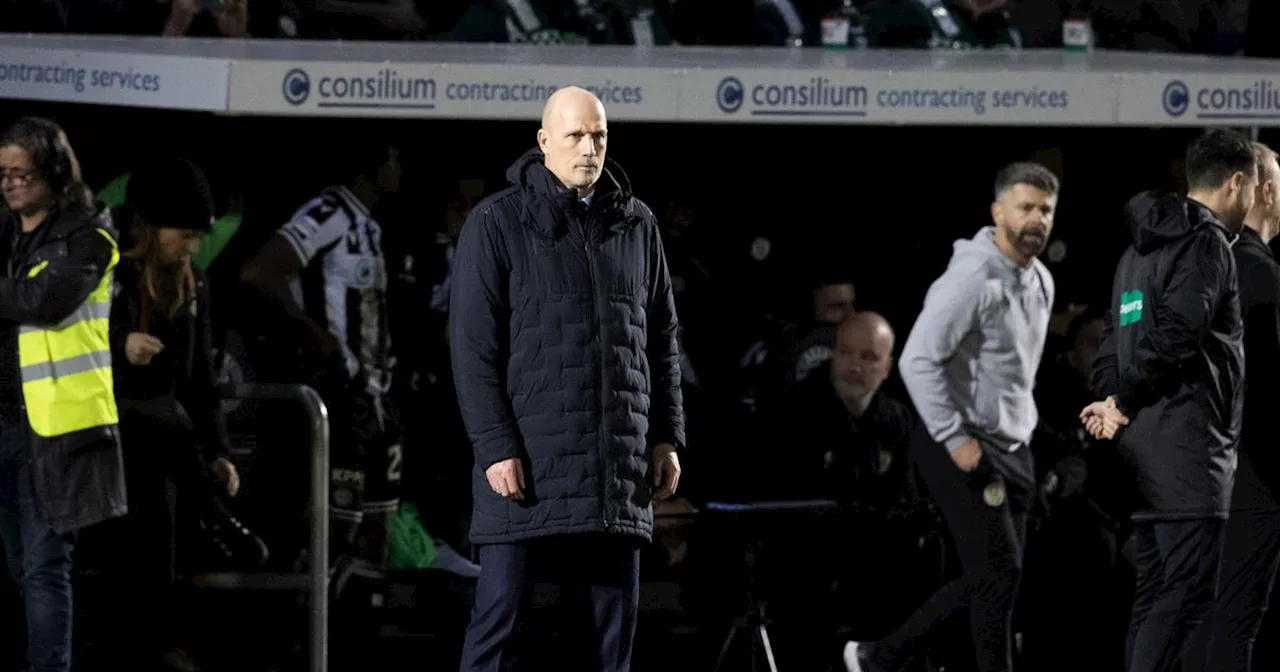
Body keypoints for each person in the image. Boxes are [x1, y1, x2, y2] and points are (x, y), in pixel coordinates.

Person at [450, 86, 684, 672]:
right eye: (576, 135)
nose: (588, 148)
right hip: (526, 468)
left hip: (615, 470)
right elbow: (473, 349)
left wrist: (666, 437)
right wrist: (496, 447)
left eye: (599, 136)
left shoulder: (637, 224)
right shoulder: (497, 223)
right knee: (499, 627)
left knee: (611, 644)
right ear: (544, 141)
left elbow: (661, 339)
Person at [844, 161, 1059, 672]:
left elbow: (1015, 374)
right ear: (997, 211)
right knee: (998, 573)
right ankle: (881, 655)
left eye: (1046, 210)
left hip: (1011, 446)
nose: (1037, 219)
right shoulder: (973, 277)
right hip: (958, 444)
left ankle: (885, 656)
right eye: (1026, 207)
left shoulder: (1041, 280)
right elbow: (917, 358)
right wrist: (956, 438)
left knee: (999, 587)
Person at [1082, 129, 1251, 672]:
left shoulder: (1136, 252)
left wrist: (1112, 400)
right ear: (1237, 182)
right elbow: (1179, 333)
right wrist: (1123, 401)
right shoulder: (1206, 244)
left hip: (1145, 453)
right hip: (1189, 452)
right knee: (1182, 598)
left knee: (1155, 596)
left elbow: (1114, 339)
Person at [110, 157, 248, 670]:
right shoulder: (113, 277)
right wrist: (118, 347)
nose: (191, 248)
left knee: (164, 553)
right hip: (117, 441)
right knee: (126, 557)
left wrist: (217, 452)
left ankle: (164, 647)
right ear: (152, 227)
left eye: (196, 237)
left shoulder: (196, 285)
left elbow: (200, 379)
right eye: (184, 234)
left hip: (167, 441)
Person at [0, 117, 128, 672]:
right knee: (20, 565)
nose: (9, 185)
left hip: (57, 429)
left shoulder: (89, 235)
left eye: (21, 174)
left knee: (45, 568)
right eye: (3, 174)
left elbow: (44, 301)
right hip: (8, 422)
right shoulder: (9, 234)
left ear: (54, 172)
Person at [241, 143, 403, 566]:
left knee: (377, 530)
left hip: (376, 396)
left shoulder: (372, 224)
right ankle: (305, 624)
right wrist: (316, 338)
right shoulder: (330, 211)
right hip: (339, 395)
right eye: (395, 158)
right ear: (374, 165)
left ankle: (356, 624)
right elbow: (261, 271)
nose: (401, 170)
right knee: (332, 531)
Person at [1186, 141, 1280, 672]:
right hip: (1254, 476)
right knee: (1237, 623)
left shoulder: (1198, 263)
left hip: (1198, 471)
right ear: (1265, 190)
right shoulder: (1259, 274)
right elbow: (1267, 392)